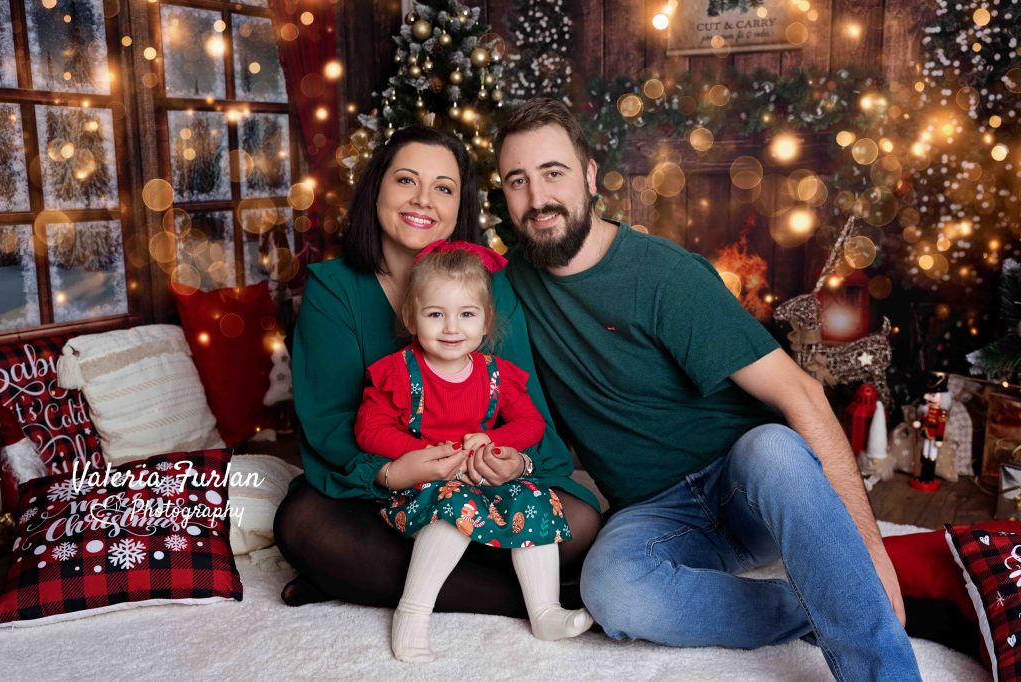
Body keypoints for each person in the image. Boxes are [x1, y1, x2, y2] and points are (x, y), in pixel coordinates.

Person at [492, 98, 921, 681]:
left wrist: (868, 547)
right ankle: (827, 605)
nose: (537, 197)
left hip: (745, 489)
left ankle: (880, 658)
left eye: (553, 173)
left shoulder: (663, 275)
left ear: (590, 176)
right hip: (656, 513)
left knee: (771, 446)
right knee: (610, 588)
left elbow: (802, 393)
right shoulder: (509, 286)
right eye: (518, 180)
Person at [272, 125, 601, 620]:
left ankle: (361, 580)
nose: (423, 200)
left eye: (443, 188)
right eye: (406, 180)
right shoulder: (333, 288)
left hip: (481, 479)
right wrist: (389, 471)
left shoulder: (491, 284)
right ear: (377, 189)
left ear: (458, 207)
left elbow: (524, 405)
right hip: (386, 485)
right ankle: (531, 603)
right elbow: (328, 420)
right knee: (305, 528)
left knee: (579, 524)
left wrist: (513, 463)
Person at [354, 241, 594, 661]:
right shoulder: (400, 372)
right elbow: (369, 429)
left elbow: (530, 423)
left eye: (466, 314)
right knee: (456, 503)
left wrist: (496, 445)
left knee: (534, 497)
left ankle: (545, 611)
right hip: (422, 489)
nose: (451, 328)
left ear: (485, 323)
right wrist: (423, 454)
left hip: (484, 481)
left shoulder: (495, 375)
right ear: (411, 317)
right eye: (435, 314)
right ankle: (412, 614)